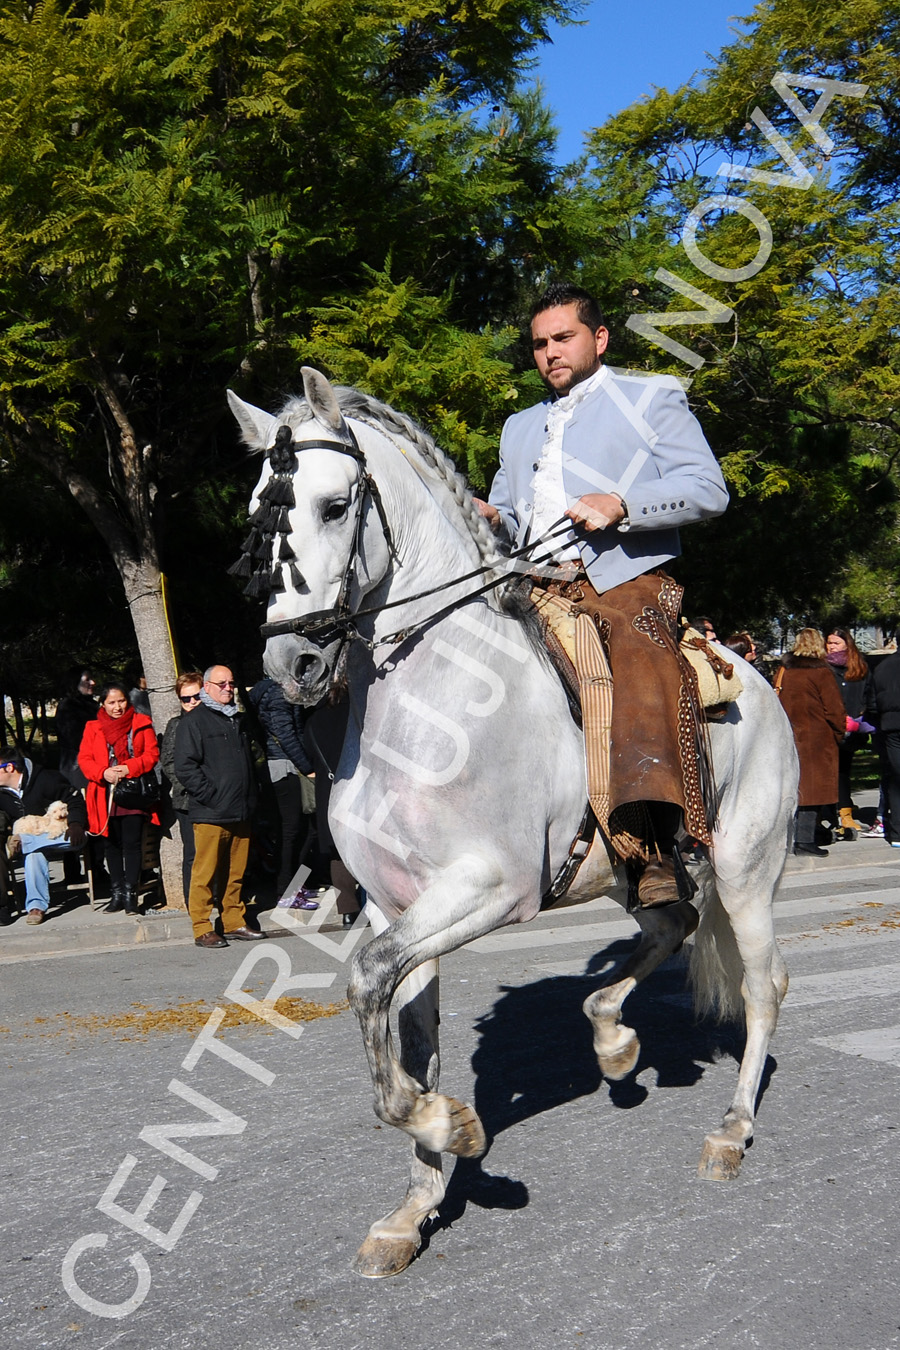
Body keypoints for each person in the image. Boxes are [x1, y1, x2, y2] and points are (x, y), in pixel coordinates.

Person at [479, 280, 729, 906]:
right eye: (539, 344)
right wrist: (488, 517)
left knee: (637, 657)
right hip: (530, 581)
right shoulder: (518, 426)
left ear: (599, 337)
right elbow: (511, 514)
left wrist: (624, 503)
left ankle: (652, 844)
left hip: (621, 578)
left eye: (563, 338)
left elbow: (707, 488)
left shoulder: (651, 398)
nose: (550, 353)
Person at [174, 664, 264, 948]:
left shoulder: (235, 719)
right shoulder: (194, 721)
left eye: (231, 683)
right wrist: (210, 795)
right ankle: (202, 927)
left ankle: (234, 921)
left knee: (235, 873)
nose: (229, 688)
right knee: (205, 873)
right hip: (211, 812)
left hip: (240, 810)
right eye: (222, 683)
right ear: (207, 687)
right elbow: (185, 767)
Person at [78, 683, 160, 914]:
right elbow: (84, 759)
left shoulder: (141, 723)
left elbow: (152, 754)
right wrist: (103, 772)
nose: (117, 707)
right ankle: (117, 894)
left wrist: (128, 768)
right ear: (103, 704)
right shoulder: (93, 727)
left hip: (133, 792)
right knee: (110, 845)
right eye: (112, 702)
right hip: (104, 793)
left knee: (132, 844)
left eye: (121, 701)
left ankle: (131, 893)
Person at [246, 676, 320, 909]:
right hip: (285, 768)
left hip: (283, 765)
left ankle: (293, 885)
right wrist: (307, 767)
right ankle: (286, 890)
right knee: (293, 830)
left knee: (298, 829)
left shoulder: (269, 690)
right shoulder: (279, 694)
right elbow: (285, 733)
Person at [776, 629, 846, 856]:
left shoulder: (785, 670)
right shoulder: (822, 673)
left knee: (797, 789)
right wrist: (839, 732)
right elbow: (834, 709)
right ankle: (805, 840)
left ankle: (795, 836)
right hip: (817, 738)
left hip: (789, 736)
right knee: (813, 791)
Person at [0, 751, 88, 925]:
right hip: (36, 838)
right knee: (33, 855)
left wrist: (76, 823)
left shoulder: (46, 779)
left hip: (64, 834)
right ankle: (36, 907)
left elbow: (75, 800)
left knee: (29, 843)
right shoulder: (2, 795)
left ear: (9, 768)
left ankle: (24, 843)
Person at [159, 671, 204, 906]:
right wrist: (188, 784)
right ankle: (192, 902)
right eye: (186, 698)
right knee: (193, 854)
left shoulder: (213, 721)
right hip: (187, 799)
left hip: (215, 799)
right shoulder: (176, 725)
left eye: (196, 696)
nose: (192, 702)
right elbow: (167, 762)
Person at [825, 628, 873, 837]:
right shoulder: (824, 668)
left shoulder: (859, 666)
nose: (831, 646)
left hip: (854, 725)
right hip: (831, 727)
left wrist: (860, 715)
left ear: (847, 644)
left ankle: (844, 809)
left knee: (844, 768)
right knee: (835, 770)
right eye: (829, 642)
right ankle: (840, 812)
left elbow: (868, 692)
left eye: (836, 643)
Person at [870, 648, 900, 848]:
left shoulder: (882, 668)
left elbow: (872, 703)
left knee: (897, 777)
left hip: (891, 726)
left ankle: (897, 832)